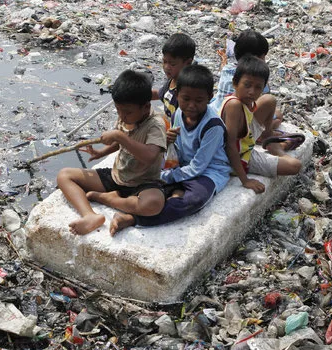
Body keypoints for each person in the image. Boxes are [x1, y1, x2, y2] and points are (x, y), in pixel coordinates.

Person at [98, 64, 231, 234]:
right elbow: (175, 150)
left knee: (193, 201)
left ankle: (133, 218)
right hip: (182, 167)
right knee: (155, 189)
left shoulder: (213, 126)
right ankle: (139, 201)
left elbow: (199, 167)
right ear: (177, 96)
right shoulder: (177, 114)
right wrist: (168, 142)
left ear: (209, 98)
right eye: (186, 99)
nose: (191, 105)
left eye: (198, 100)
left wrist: (167, 176)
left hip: (208, 173)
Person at [56, 70, 167, 236]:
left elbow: (150, 156)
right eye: (118, 110)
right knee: (64, 176)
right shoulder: (126, 117)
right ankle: (90, 216)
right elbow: (119, 143)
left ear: (146, 107)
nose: (122, 116)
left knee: (154, 204)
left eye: (127, 112)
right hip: (118, 177)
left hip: (143, 183)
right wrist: (102, 152)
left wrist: (120, 137)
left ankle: (108, 199)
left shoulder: (155, 125)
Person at [218, 55, 303, 195]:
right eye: (247, 85)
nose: (252, 92)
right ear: (235, 83)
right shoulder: (234, 105)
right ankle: (279, 150)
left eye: (258, 87)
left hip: (246, 140)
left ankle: (268, 137)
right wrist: (245, 180)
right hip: (240, 156)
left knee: (269, 100)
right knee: (295, 166)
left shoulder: (244, 102)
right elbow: (230, 145)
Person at [215, 29, 283, 138]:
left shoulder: (227, 68)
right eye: (263, 57)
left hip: (219, 112)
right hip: (240, 122)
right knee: (276, 112)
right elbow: (261, 97)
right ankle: (264, 135)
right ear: (255, 58)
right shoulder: (255, 76)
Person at [152, 33, 196, 126]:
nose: (166, 67)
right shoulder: (172, 80)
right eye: (164, 61)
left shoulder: (186, 90)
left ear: (188, 63)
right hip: (169, 122)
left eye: (172, 64)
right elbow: (160, 94)